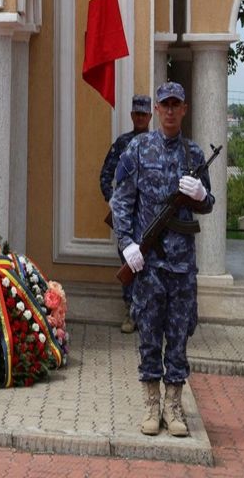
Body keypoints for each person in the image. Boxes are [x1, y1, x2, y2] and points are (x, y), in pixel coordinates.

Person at [110, 82, 213, 438]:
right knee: (150, 335)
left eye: (176, 105)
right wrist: (127, 245)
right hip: (149, 264)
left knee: (179, 337)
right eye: (164, 105)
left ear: (184, 109)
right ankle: (152, 406)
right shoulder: (137, 150)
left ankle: (175, 407)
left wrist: (201, 195)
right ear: (155, 109)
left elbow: (208, 203)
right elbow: (120, 202)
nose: (170, 111)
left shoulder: (195, 154)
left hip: (182, 266)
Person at [99, 94, 152, 334]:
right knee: (128, 265)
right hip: (128, 220)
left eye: (145, 113)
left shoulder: (157, 143)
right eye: (137, 113)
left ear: (151, 116)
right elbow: (105, 175)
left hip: (150, 218)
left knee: (150, 267)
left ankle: (149, 315)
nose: (140, 117)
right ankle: (130, 312)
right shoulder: (122, 143)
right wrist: (112, 202)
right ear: (132, 116)